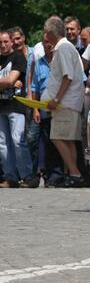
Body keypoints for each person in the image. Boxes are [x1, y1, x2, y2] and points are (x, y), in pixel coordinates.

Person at [43, 16, 86, 187]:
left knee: (57, 137)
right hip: (67, 103)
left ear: (51, 32)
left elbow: (67, 77)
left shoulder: (63, 49)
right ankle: (73, 174)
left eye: (46, 32)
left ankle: (75, 173)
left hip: (65, 103)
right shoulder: (64, 48)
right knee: (67, 139)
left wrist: (56, 99)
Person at [0, 30, 38, 188]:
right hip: (1, 107)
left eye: (6, 41)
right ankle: (10, 177)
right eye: (0, 42)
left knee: (17, 140)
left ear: (11, 42)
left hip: (16, 106)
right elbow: (8, 81)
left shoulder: (18, 57)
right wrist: (7, 82)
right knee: (2, 144)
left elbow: (11, 80)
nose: (3, 45)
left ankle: (28, 176)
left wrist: (9, 82)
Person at [30, 33, 66, 187]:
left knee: (60, 143)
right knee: (47, 143)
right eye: (46, 41)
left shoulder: (62, 60)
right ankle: (49, 176)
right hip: (45, 110)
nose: (49, 44)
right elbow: (35, 89)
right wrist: (35, 110)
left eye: (51, 41)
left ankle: (58, 175)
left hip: (62, 109)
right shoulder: (38, 63)